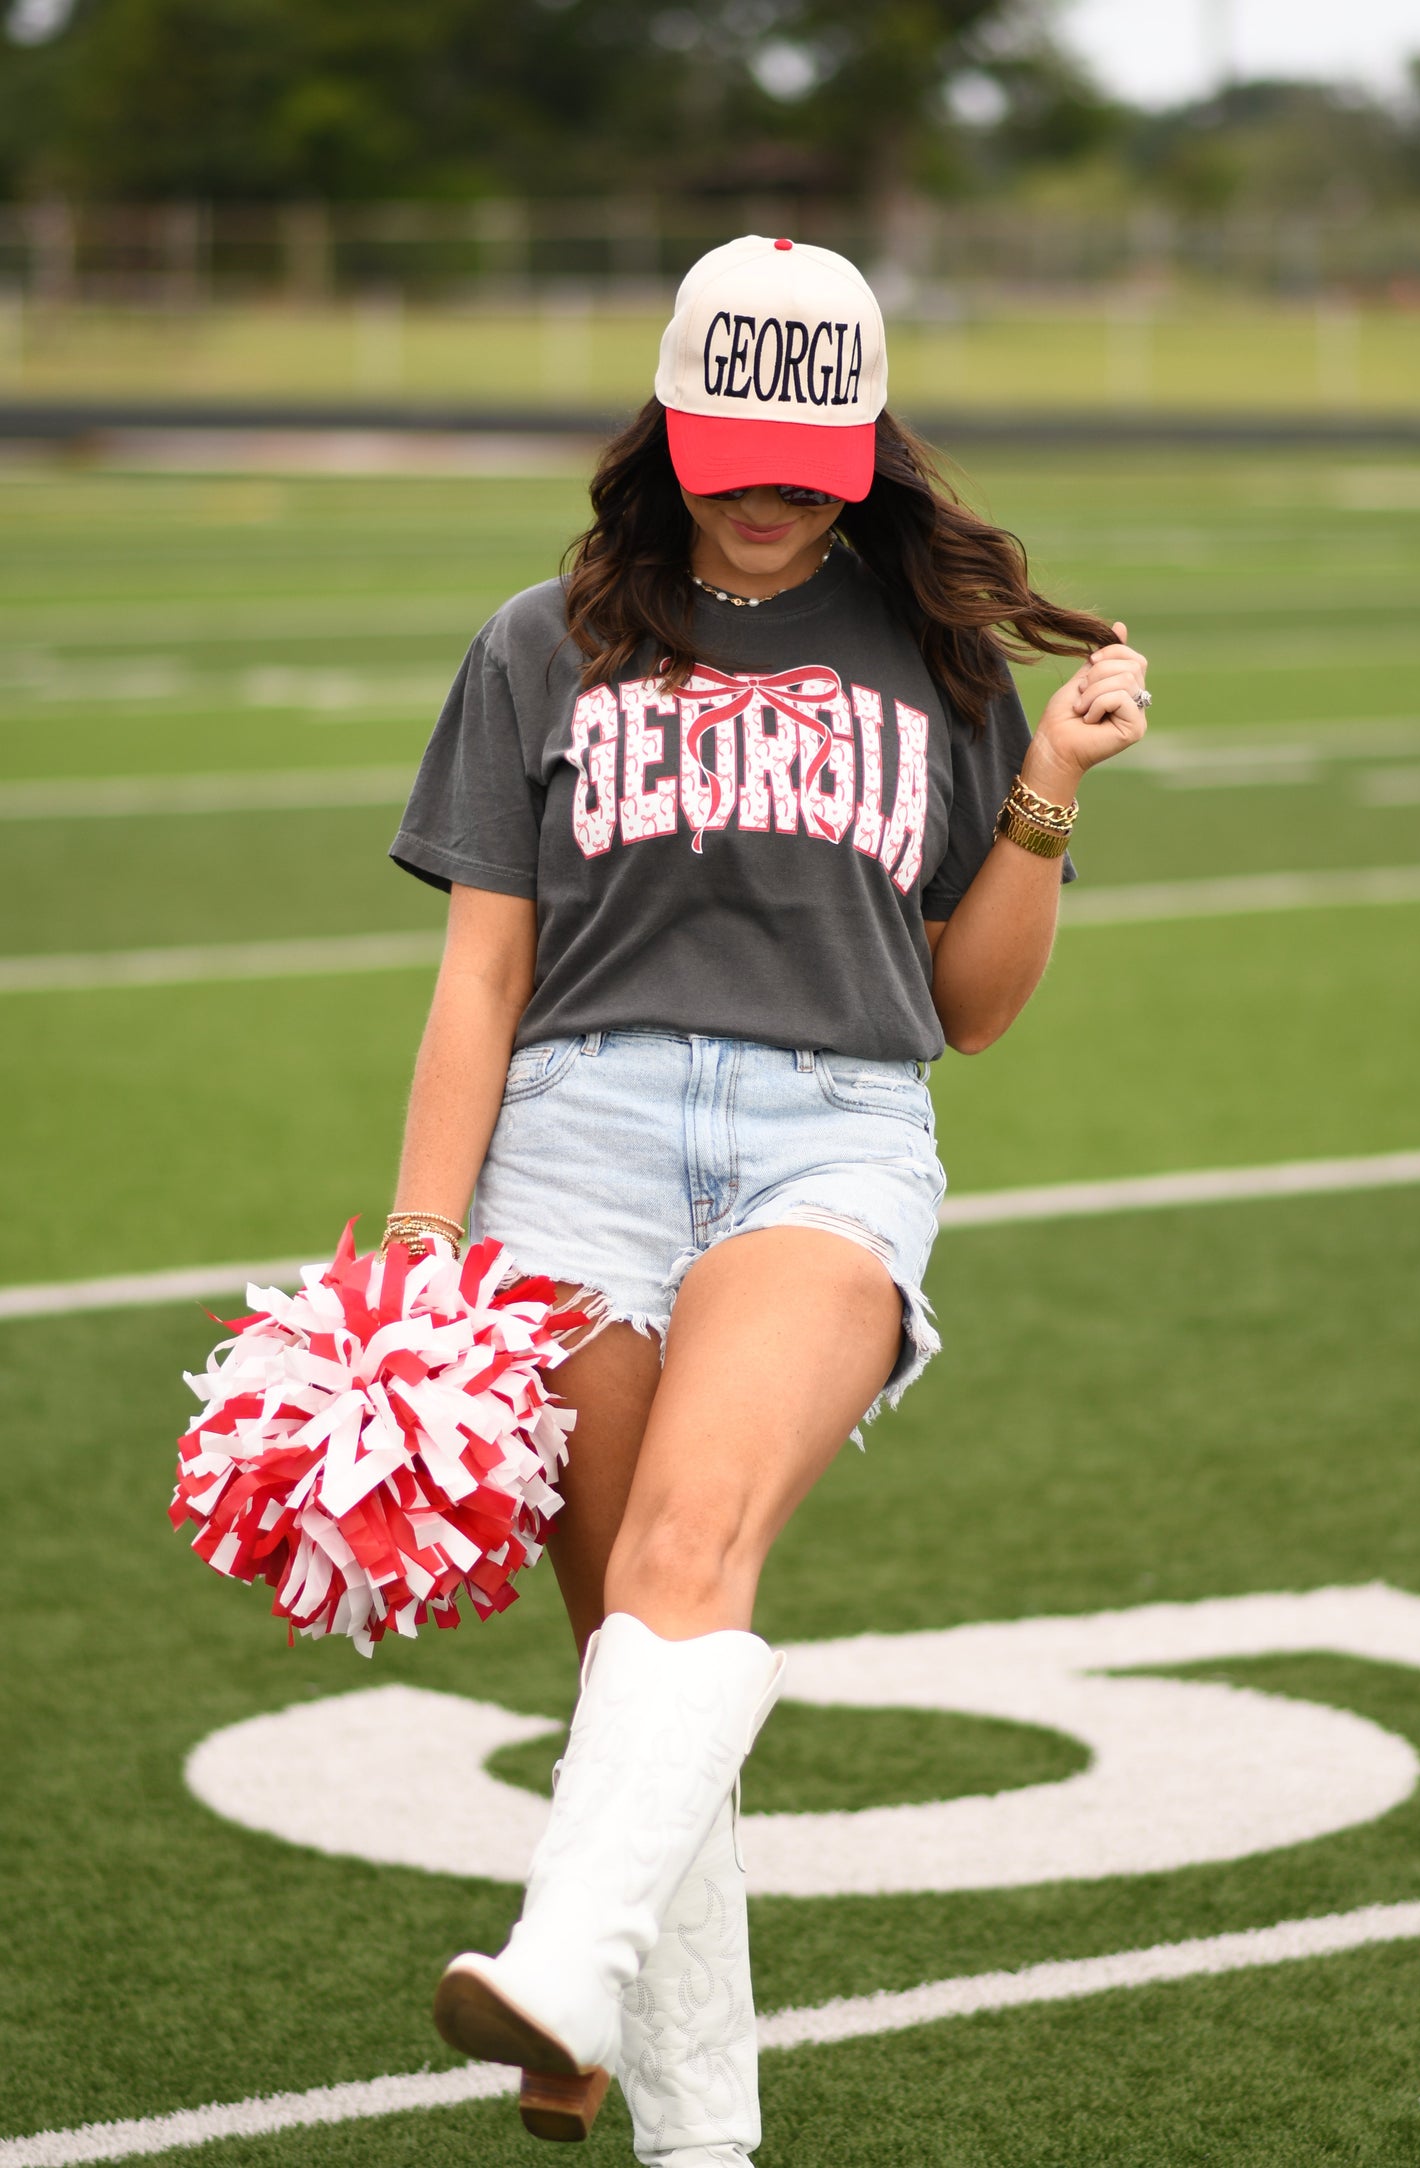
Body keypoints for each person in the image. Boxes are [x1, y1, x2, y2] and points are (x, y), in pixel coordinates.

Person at [385, 234, 1149, 2161]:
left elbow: (965, 1013)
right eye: (735, 444)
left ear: (869, 443)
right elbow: (481, 976)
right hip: (570, 1142)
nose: (771, 484)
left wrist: (1048, 782)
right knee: (639, 1668)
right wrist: (415, 1249)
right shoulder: (532, 642)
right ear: (668, 424)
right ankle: (691, 2136)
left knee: (688, 1561)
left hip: (832, 1135)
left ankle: (564, 1964)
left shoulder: (948, 663)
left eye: (812, 450)